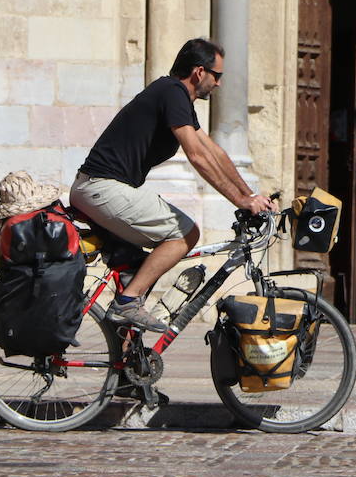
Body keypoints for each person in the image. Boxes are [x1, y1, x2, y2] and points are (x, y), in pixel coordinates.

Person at [69, 38, 275, 332]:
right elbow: (197, 156)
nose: (218, 84)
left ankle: (127, 362)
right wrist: (239, 202)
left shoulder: (178, 99)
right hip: (102, 187)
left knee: (140, 272)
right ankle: (127, 303)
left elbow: (215, 152)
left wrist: (250, 194)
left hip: (103, 189)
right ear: (199, 72)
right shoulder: (172, 92)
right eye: (217, 76)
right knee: (184, 233)